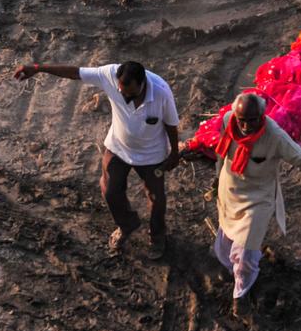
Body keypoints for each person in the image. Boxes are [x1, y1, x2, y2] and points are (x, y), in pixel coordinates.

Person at [13, 60, 180, 258]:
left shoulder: (161, 92)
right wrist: (38, 69)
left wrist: (174, 153)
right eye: (121, 91)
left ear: (142, 83)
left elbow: (171, 125)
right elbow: (75, 72)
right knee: (110, 191)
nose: (124, 96)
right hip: (118, 147)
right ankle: (126, 225)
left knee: (156, 199)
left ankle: (157, 236)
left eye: (130, 93)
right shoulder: (109, 74)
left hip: (151, 154)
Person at [212, 93, 301, 318]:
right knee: (224, 246)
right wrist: (217, 179)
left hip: (258, 199)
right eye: (241, 119)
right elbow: (221, 153)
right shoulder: (228, 121)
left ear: (262, 116)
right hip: (230, 191)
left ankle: (241, 294)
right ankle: (231, 270)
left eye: (252, 120)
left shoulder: (274, 136)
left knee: (246, 252)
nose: (245, 126)